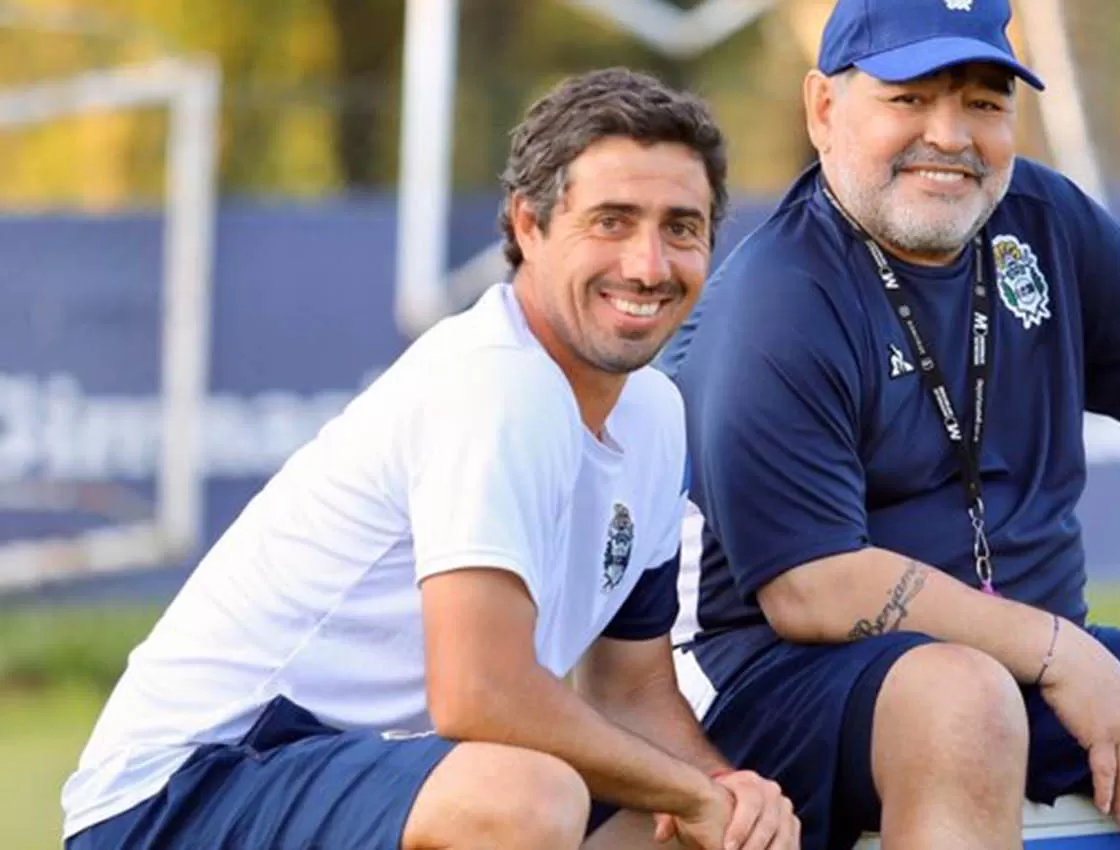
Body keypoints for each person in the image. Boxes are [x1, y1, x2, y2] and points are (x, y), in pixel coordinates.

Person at [660, 2, 1120, 848]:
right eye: (909, 99)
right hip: (779, 676)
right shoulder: (778, 298)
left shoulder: (1041, 219)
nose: (951, 136)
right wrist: (1060, 653)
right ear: (823, 108)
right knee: (965, 701)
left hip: (1021, 659)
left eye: (985, 104)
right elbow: (812, 588)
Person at [62, 67, 798, 850]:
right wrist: (693, 794)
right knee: (526, 795)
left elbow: (633, 689)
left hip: (365, 781)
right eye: (612, 222)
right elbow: (479, 695)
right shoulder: (496, 380)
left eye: (680, 227)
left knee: (681, 828)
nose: (649, 265)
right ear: (527, 225)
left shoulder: (655, 413)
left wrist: (727, 797)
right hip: (178, 796)